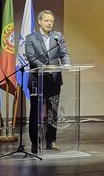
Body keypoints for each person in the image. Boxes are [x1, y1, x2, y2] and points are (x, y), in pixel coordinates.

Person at [24, 9, 70, 153]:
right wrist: (45, 67)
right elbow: (31, 58)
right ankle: (35, 142)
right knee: (35, 111)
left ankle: (51, 140)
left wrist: (67, 64)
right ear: (40, 21)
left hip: (54, 79)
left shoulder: (58, 36)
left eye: (51, 21)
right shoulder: (31, 38)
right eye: (46, 20)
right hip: (37, 79)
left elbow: (64, 53)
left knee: (53, 111)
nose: (49, 23)